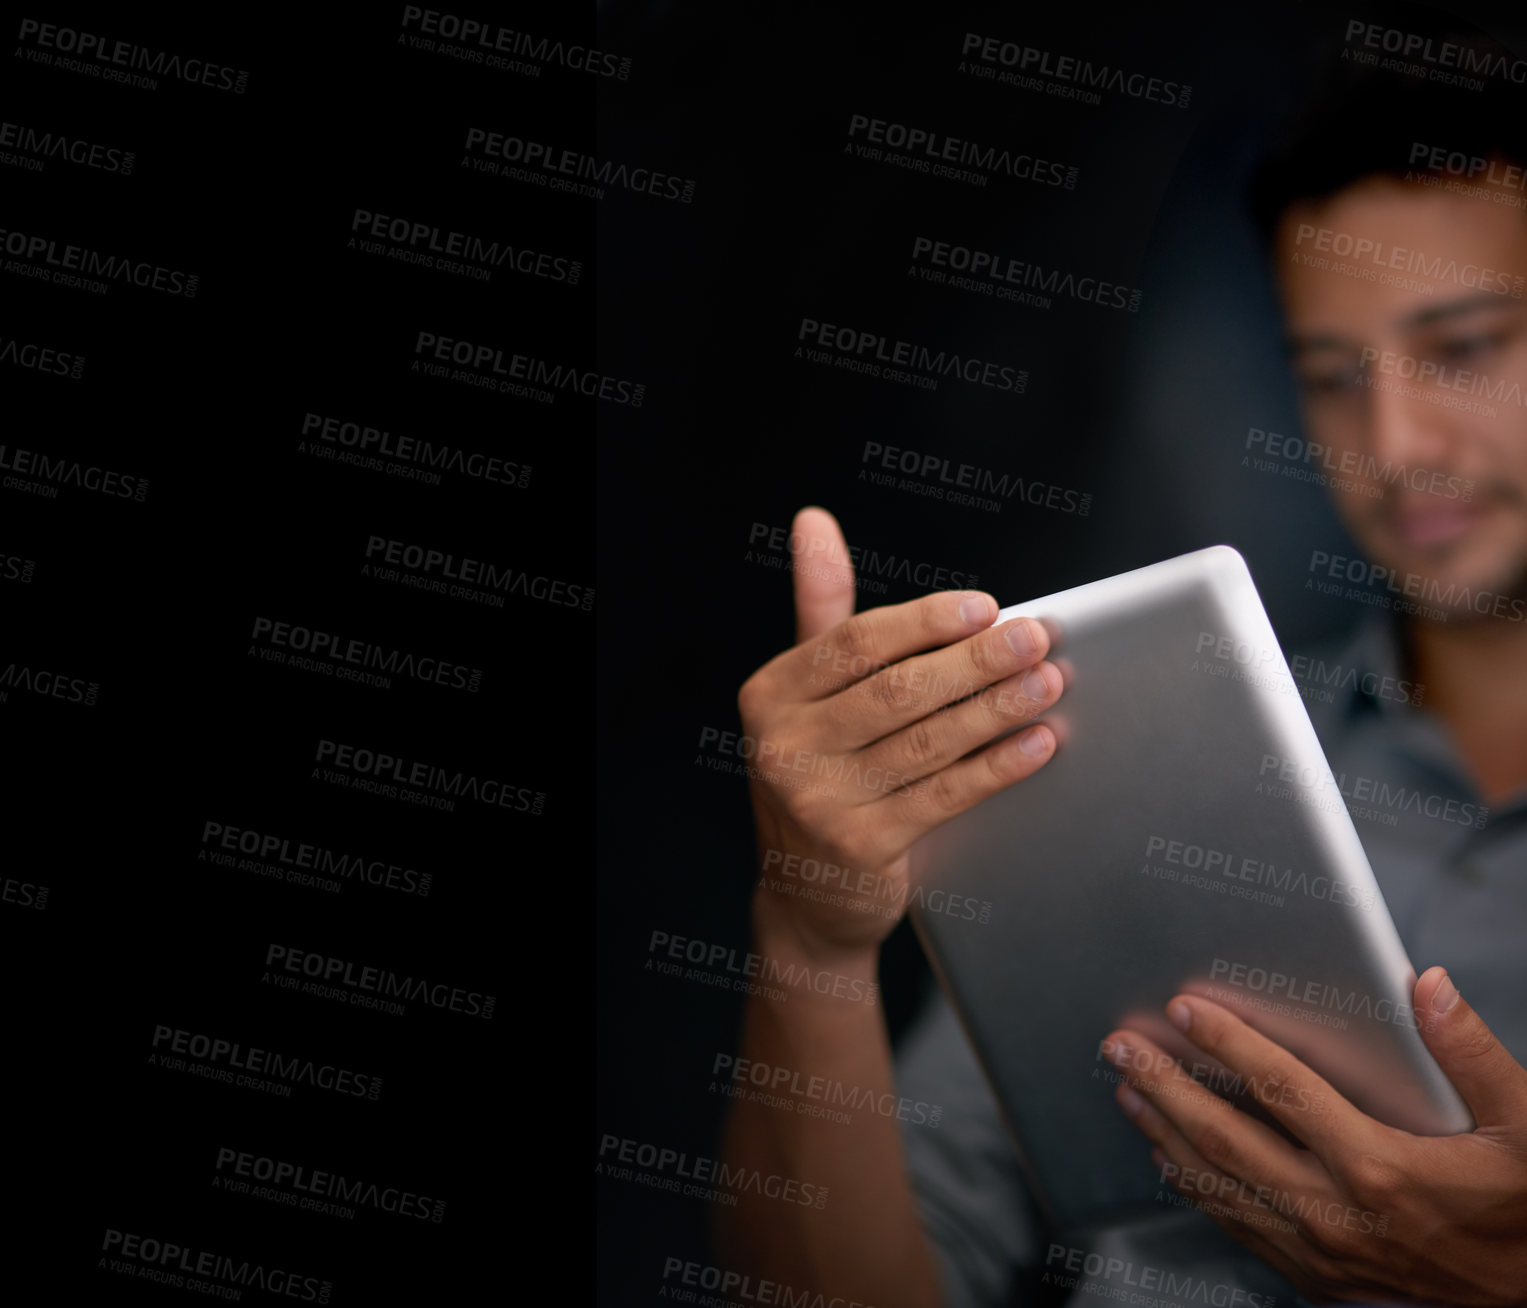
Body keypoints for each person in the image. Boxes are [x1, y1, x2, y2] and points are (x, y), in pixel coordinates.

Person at [714, 47, 1527, 1308]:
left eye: (1465, 346)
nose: (1396, 445)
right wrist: (811, 942)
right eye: (1332, 376)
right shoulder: (1139, 755)